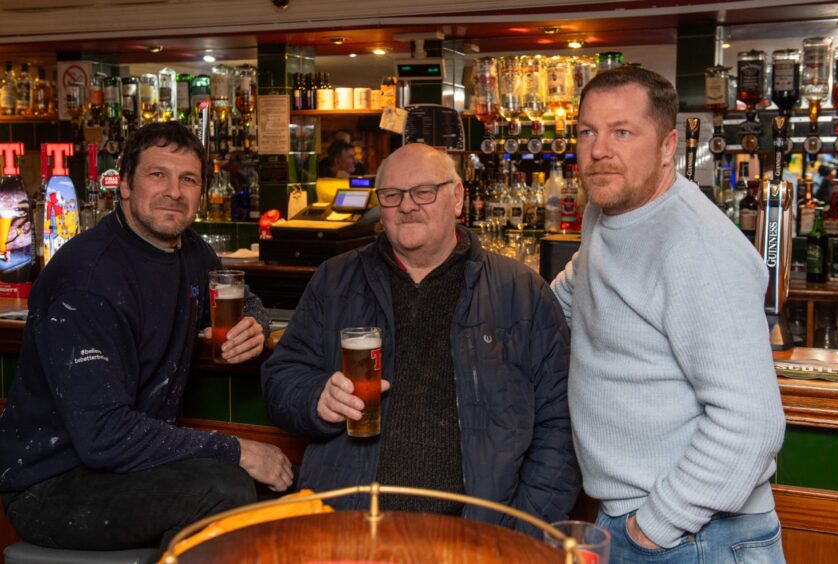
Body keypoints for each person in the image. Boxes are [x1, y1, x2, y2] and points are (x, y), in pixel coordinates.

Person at [0, 122, 293, 552]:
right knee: (223, 487)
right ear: (124, 185)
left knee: (273, 493)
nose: (174, 191)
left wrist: (255, 323)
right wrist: (236, 450)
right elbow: (103, 435)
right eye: (158, 174)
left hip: (130, 465)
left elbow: (242, 297)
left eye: (188, 179)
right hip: (50, 484)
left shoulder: (191, 251)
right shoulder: (87, 279)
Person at [262, 142, 579, 536]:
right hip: (350, 528)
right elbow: (281, 378)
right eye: (392, 195)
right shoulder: (335, 279)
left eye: (424, 192)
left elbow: (560, 423)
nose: (407, 206)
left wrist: (521, 530)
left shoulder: (520, 291)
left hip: (475, 538)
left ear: (457, 197)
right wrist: (316, 399)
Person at [551, 66, 786, 562]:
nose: (599, 150)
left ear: (667, 147)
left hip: (695, 534)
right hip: (638, 518)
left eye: (622, 132)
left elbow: (752, 424)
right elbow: (575, 289)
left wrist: (655, 526)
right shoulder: (607, 213)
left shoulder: (697, 247)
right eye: (588, 132)